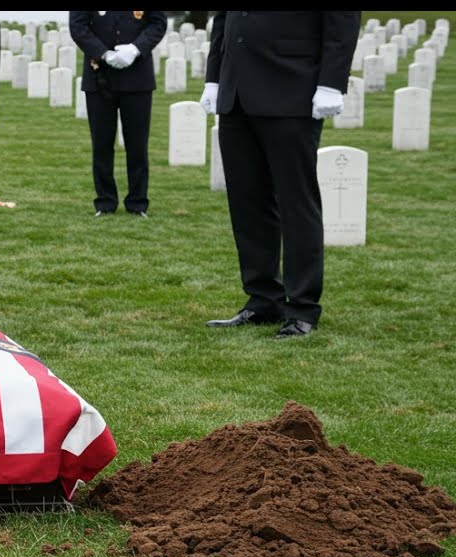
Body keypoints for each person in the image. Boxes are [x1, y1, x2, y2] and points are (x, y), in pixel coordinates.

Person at [202, 11, 359, 339]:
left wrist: (331, 83)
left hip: (292, 86)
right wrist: (214, 77)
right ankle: (263, 298)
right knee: (248, 204)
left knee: (296, 203)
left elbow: (342, 20)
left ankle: (302, 306)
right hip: (237, 91)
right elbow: (223, 18)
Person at [69, 10, 168, 218]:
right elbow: (78, 27)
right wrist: (103, 54)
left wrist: (135, 49)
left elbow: (157, 23)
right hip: (99, 76)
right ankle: (105, 202)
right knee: (102, 144)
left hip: (137, 77)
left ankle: (137, 202)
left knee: (137, 145)